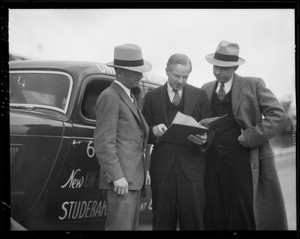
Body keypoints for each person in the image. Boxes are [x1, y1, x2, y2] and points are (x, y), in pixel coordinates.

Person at [201, 40, 288, 230]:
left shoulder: (253, 84)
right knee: (214, 217)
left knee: (243, 217)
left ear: (234, 67)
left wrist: (250, 136)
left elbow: (279, 116)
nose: (217, 72)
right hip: (212, 165)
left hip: (244, 163)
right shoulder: (205, 88)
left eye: (223, 68)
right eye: (215, 66)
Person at [142, 53, 212, 230]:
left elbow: (210, 130)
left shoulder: (200, 95)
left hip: (192, 171)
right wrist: (153, 130)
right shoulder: (152, 97)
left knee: (194, 222)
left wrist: (205, 139)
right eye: (177, 76)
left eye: (185, 77)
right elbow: (143, 132)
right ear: (167, 71)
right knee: (162, 223)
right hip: (163, 171)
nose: (181, 81)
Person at [93, 44, 151, 230]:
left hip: (132, 179)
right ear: (119, 72)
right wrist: (117, 176)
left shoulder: (130, 97)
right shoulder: (110, 96)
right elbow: (103, 142)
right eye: (135, 72)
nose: (140, 75)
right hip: (121, 181)